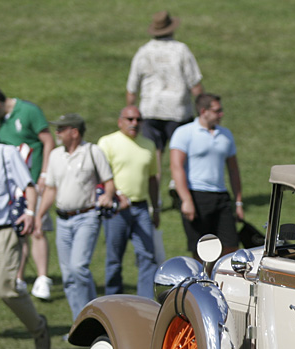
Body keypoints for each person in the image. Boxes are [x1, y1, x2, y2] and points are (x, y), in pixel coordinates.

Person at [35, 114, 115, 321]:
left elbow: (108, 181)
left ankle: (94, 316)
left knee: (78, 267)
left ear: (75, 132)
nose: (57, 133)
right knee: (68, 275)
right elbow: (51, 189)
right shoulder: (54, 155)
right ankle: (78, 323)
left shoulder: (92, 151)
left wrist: (107, 195)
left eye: (61, 129)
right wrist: (39, 216)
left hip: (86, 217)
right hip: (63, 220)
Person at [126, 10, 204, 178]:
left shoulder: (143, 52)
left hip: (150, 109)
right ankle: (176, 185)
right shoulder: (181, 50)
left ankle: (156, 200)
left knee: (155, 156)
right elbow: (195, 83)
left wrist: (131, 112)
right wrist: (202, 109)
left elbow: (132, 88)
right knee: (181, 152)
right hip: (178, 110)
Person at [0, 88, 55, 301]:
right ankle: (17, 277)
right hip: (11, 187)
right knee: (17, 230)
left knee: (37, 226)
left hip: (33, 178)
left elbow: (48, 141)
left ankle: (42, 277)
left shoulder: (28, 111)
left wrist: (45, 173)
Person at [98, 106, 160, 299]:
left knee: (148, 256)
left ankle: (145, 302)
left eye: (138, 120)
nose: (135, 123)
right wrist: (116, 194)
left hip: (141, 208)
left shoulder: (148, 145)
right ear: (120, 121)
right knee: (114, 259)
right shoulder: (107, 142)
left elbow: (152, 178)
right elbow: (99, 175)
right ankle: (112, 301)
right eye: (130, 119)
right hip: (116, 209)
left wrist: (155, 207)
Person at [170, 93, 243, 257]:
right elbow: (176, 166)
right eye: (217, 111)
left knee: (231, 246)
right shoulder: (184, 133)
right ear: (204, 111)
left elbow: (233, 170)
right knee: (202, 250)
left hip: (221, 195)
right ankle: (204, 282)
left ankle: (225, 281)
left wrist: (238, 202)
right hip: (196, 195)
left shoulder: (226, 134)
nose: (221, 114)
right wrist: (186, 200)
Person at [0, 141, 49, 349]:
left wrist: (29, 212)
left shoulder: (5, 153)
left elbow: (29, 187)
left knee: (5, 288)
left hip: (5, 229)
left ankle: (39, 330)